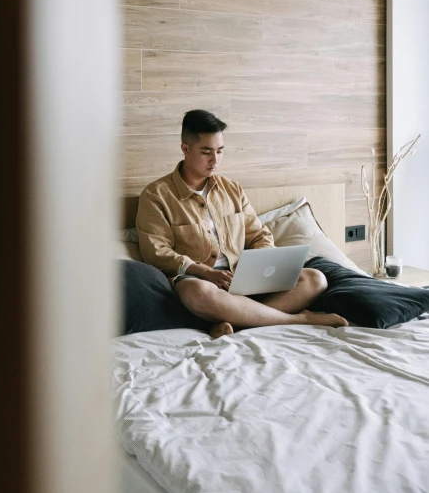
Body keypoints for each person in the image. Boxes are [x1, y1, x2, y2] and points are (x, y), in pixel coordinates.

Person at [136, 109, 348, 338]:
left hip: (242, 280)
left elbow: (259, 234)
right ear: (185, 149)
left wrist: (261, 267)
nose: (215, 160)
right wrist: (204, 272)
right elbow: (156, 252)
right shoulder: (156, 195)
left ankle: (234, 325)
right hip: (199, 283)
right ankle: (299, 319)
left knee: (315, 279)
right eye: (207, 152)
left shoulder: (232, 189)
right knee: (196, 291)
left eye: (220, 151)